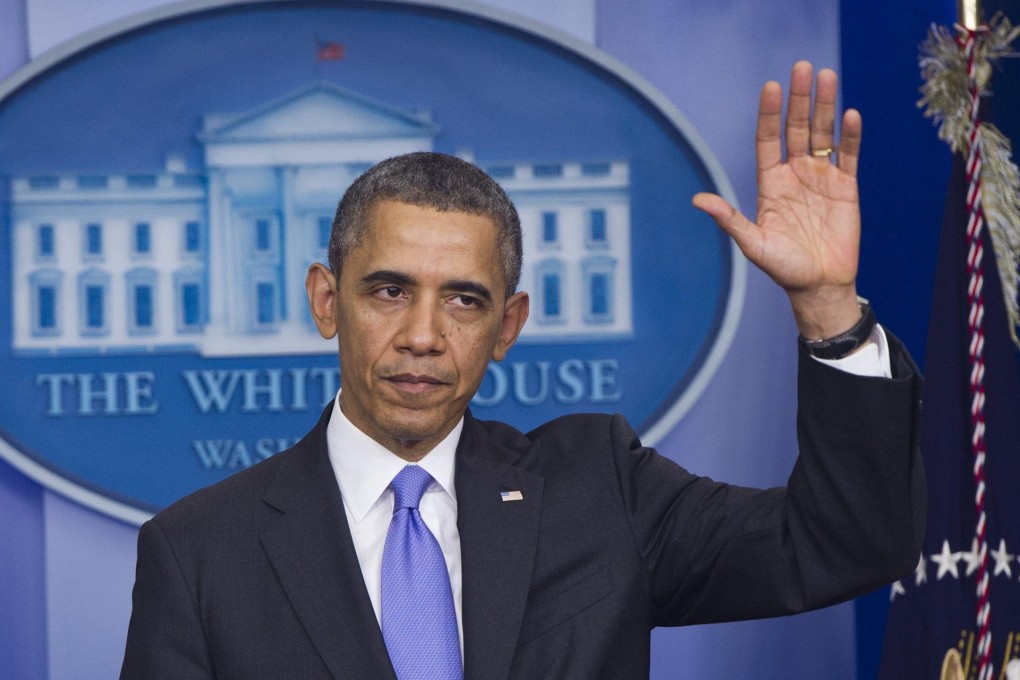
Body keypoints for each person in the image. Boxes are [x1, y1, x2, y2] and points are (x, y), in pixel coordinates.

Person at [120, 62, 925, 679]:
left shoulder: (601, 490)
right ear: (327, 301)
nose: (424, 335)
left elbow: (842, 544)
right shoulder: (198, 554)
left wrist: (826, 305)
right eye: (390, 291)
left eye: (464, 301)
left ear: (508, 326)